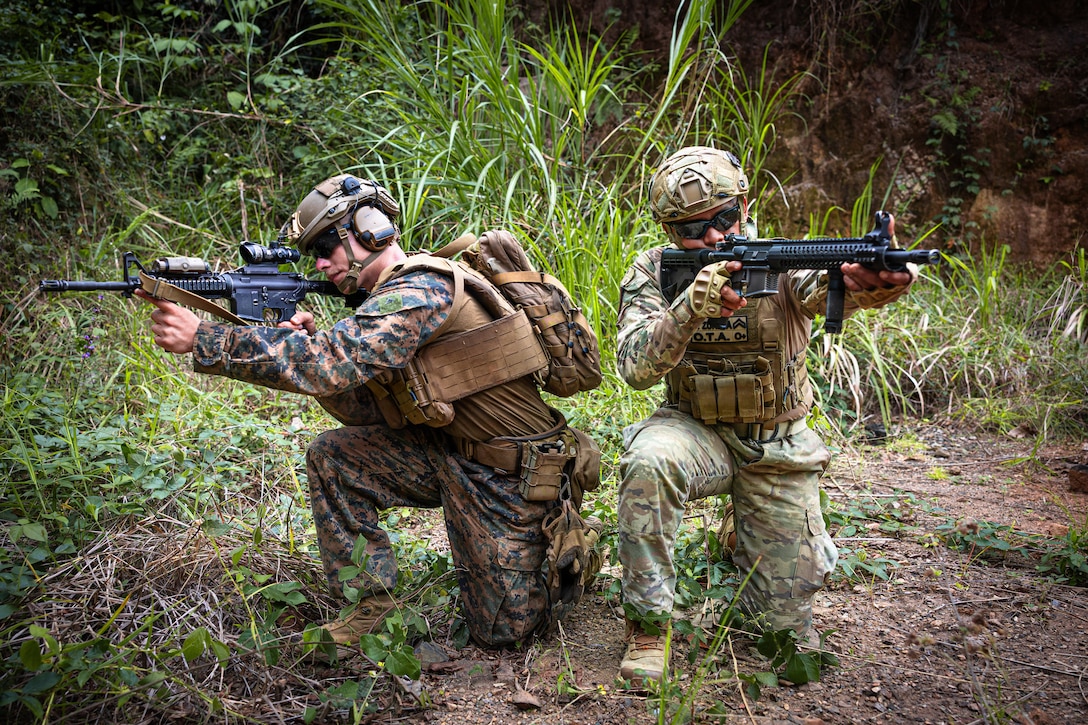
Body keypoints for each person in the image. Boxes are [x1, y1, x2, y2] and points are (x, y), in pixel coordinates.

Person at [137, 173, 601, 649]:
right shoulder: (390, 298)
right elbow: (370, 410)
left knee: (505, 633)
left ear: (367, 230)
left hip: (508, 476)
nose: (320, 265)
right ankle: (369, 608)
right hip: (450, 454)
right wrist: (302, 342)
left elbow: (329, 364)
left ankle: (562, 541)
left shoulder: (423, 288)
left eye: (325, 248)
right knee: (335, 456)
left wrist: (206, 338)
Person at [614, 146, 917, 685]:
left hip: (776, 446)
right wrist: (689, 307)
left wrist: (869, 281)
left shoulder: (780, 258)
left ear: (745, 204)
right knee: (648, 460)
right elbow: (635, 367)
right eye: (692, 229)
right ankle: (650, 625)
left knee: (780, 634)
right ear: (667, 230)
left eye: (725, 219)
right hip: (694, 430)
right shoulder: (655, 271)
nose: (711, 238)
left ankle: (746, 528)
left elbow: (827, 284)